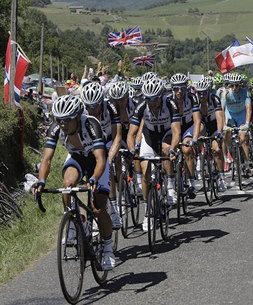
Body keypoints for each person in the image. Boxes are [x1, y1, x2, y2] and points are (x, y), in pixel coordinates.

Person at [34, 95, 116, 270]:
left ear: (77, 117)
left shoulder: (91, 124)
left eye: (67, 120)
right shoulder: (56, 128)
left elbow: (101, 159)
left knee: (98, 207)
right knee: (67, 185)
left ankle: (108, 247)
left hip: (96, 162)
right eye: (59, 120)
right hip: (77, 158)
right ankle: (73, 221)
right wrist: (41, 181)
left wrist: (94, 179)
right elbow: (47, 159)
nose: (63, 124)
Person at [127, 78, 181, 231]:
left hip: (166, 134)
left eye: (155, 99)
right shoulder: (141, 106)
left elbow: (177, 132)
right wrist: (132, 150)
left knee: (165, 149)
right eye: (148, 99)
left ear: (161, 96)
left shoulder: (170, 104)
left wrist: (173, 149)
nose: (152, 102)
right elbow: (131, 134)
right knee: (145, 171)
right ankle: (147, 212)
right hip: (149, 137)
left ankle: (170, 186)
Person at [81, 81, 123, 230]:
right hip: (92, 143)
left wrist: (110, 159)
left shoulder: (111, 106)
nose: (92, 110)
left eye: (95, 106)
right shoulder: (82, 110)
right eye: (88, 106)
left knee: (109, 168)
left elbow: (118, 136)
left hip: (108, 139)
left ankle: (113, 208)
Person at [169, 73, 201, 200]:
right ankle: (170, 183)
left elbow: (197, 120)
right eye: (176, 88)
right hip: (173, 128)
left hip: (188, 126)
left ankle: (192, 180)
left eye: (182, 88)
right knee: (168, 152)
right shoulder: (168, 100)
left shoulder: (192, 98)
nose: (179, 91)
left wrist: (194, 139)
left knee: (187, 150)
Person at [194, 77, 227, 192]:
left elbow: (219, 117)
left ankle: (222, 178)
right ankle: (198, 156)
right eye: (199, 93)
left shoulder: (214, 99)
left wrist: (219, 132)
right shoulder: (195, 100)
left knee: (217, 150)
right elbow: (197, 121)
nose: (201, 95)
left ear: (208, 91)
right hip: (202, 124)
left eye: (204, 92)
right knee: (200, 129)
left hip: (213, 125)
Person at [221, 72, 253, 177]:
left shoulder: (245, 92)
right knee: (226, 134)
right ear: (229, 85)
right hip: (230, 115)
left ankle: (247, 165)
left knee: (243, 138)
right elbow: (221, 110)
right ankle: (228, 156)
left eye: (237, 85)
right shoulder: (226, 94)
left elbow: (248, 108)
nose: (235, 87)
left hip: (241, 115)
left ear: (240, 84)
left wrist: (247, 123)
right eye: (232, 85)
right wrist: (223, 125)